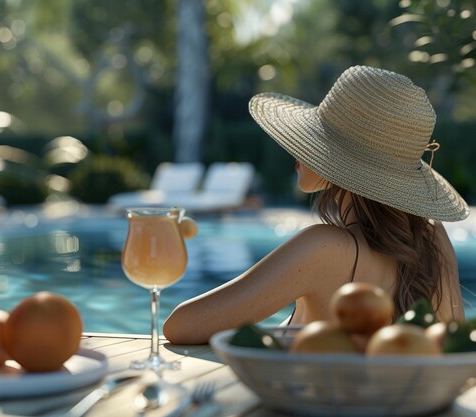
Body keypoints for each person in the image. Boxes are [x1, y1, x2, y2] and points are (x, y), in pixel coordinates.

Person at [163, 65, 469, 345]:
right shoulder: (432, 237)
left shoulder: (322, 247)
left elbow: (180, 326)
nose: (299, 149)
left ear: (339, 159)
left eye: (318, 137)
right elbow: (449, 348)